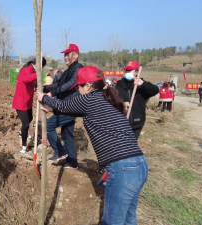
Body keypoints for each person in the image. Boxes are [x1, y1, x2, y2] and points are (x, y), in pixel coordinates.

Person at [37, 66, 148, 224]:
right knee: (129, 219)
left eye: (79, 87)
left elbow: (65, 106)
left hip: (122, 167)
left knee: (112, 221)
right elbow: (72, 111)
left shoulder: (89, 99)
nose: (78, 91)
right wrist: (52, 108)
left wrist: (44, 97)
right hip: (139, 164)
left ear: (88, 86)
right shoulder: (106, 99)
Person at [43, 44, 83, 169]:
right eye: (65, 54)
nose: (65, 57)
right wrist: (45, 88)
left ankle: (60, 152)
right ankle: (72, 162)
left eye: (68, 54)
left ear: (75, 55)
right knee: (67, 134)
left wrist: (52, 93)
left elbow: (71, 84)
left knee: (49, 125)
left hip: (70, 106)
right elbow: (58, 85)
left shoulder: (78, 68)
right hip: (66, 105)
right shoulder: (68, 71)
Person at [115, 61, 159, 140]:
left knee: (132, 144)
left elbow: (155, 90)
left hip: (137, 122)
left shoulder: (142, 85)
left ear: (136, 72)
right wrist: (122, 103)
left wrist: (143, 85)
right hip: (121, 122)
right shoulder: (119, 84)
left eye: (130, 70)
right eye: (126, 70)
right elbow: (114, 100)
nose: (127, 72)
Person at [12, 57, 47, 153]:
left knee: (30, 118)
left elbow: (33, 83)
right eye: (42, 67)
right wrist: (38, 74)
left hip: (28, 101)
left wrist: (37, 88)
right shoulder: (26, 70)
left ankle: (23, 133)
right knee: (26, 124)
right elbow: (26, 79)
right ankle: (23, 146)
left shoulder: (32, 71)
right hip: (20, 102)